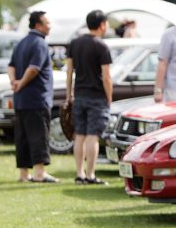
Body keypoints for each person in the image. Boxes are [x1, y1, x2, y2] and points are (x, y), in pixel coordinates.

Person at [8, 11, 57, 183]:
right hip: (37, 98)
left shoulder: (22, 42)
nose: (50, 26)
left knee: (22, 137)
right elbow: (34, 69)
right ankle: (39, 173)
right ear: (38, 25)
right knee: (39, 136)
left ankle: (24, 174)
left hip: (21, 99)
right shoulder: (40, 44)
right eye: (47, 23)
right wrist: (21, 83)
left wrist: (14, 82)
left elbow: (11, 66)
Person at [66, 10, 113, 185]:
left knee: (79, 135)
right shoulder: (101, 46)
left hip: (79, 95)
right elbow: (106, 77)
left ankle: (79, 173)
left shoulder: (75, 43)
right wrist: (109, 97)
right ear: (102, 25)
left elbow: (69, 72)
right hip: (97, 96)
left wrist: (69, 95)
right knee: (93, 136)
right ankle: (90, 174)